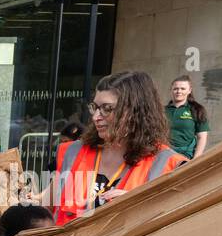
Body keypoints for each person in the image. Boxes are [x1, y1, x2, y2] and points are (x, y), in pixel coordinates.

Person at [48, 70, 187, 226]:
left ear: (136, 111)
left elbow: (177, 229)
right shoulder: (72, 151)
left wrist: (138, 208)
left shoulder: (168, 164)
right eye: (95, 107)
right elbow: (50, 204)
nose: (96, 117)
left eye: (107, 108)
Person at [166, 75, 209, 160]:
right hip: (164, 156)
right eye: (175, 88)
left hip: (185, 157)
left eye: (183, 89)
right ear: (171, 90)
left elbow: (202, 137)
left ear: (189, 90)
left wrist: (196, 159)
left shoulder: (197, 110)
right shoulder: (162, 111)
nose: (179, 91)